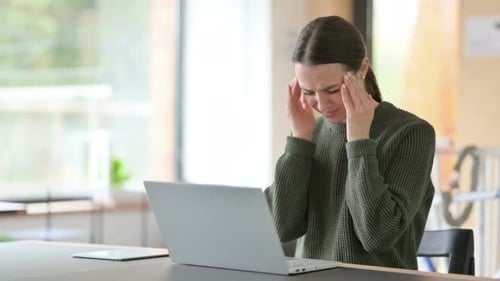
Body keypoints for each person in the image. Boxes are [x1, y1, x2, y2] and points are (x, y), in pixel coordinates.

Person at [265, 15, 436, 270]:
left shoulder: (411, 133)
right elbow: (281, 228)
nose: (321, 106)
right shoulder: (312, 132)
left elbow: (377, 236)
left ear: (362, 69)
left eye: (332, 90)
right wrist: (299, 140)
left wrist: (358, 140)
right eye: (309, 92)